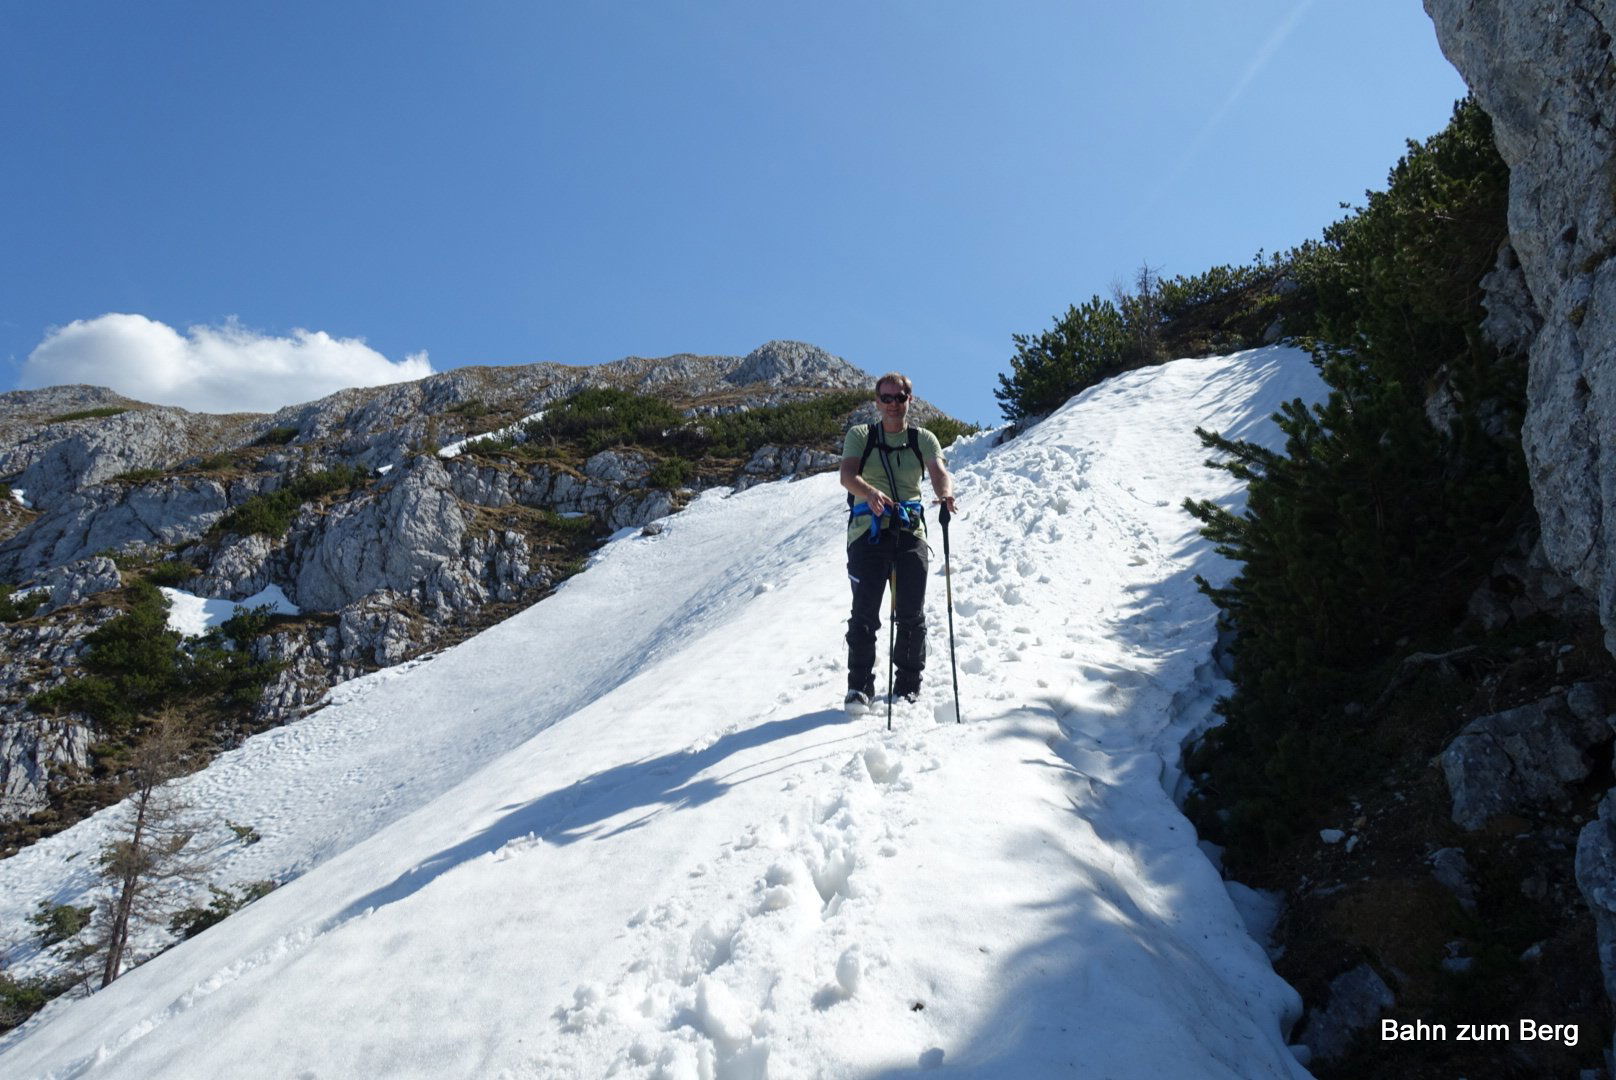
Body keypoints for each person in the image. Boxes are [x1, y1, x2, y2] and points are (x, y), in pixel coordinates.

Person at [839, 372, 957, 713]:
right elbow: (847, 475)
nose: (893, 404)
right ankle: (859, 688)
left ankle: (908, 686)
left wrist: (945, 496)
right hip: (867, 531)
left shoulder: (924, 439)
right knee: (864, 613)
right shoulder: (861, 436)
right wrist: (870, 492)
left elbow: (938, 473)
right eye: (886, 398)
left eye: (899, 397)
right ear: (877, 402)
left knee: (910, 612)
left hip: (909, 531)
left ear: (909, 400)